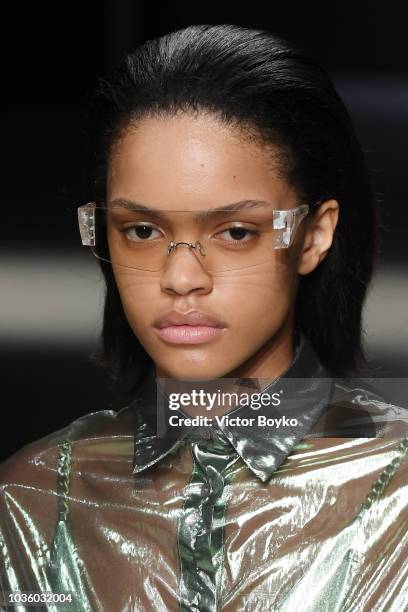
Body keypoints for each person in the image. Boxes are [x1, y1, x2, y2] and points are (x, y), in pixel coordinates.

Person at [1, 24, 407, 612]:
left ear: (314, 235)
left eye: (235, 232)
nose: (182, 278)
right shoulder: (37, 498)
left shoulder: (397, 495)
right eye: (142, 231)